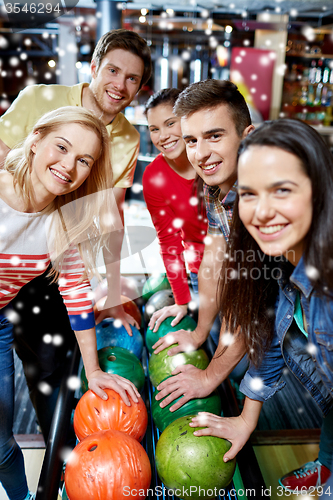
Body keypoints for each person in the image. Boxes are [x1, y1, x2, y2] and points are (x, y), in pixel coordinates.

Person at [0, 28, 152, 440]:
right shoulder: (39, 99)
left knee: (51, 362)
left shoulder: (128, 138)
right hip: (13, 241)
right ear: (94, 67)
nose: (119, 85)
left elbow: (110, 217)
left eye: (132, 78)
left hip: (56, 257)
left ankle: (62, 451)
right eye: (113, 70)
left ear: (140, 87)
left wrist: (116, 295)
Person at [0, 106, 141, 500]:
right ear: (35, 140)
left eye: (83, 160)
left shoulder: (62, 221)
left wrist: (93, 372)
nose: (68, 166)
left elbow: (77, 293)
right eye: (60, 147)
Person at [190, 118, 333, 493]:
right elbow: (268, 335)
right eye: (250, 194)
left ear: (319, 190)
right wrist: (246, 418)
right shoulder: (280, 259)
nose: (262, 212)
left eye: (282, 190)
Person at [152, 79, 253, 412]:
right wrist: (198, 332)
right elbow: (213, 260)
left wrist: (209, 377)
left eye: (214, 136)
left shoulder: (259, 201)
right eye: (191, 140)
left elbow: (244, 305)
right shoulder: (217, 190)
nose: (201, 153)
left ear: (247, 136)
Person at [142, 88, 213, 335]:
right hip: (199, 272)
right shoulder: (154, 176)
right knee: (213, 341)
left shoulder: (212, 158)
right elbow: (169, 241)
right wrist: (182, 300)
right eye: (154, 129)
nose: (162, 136)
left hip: (241, 267)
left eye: (170, 123)